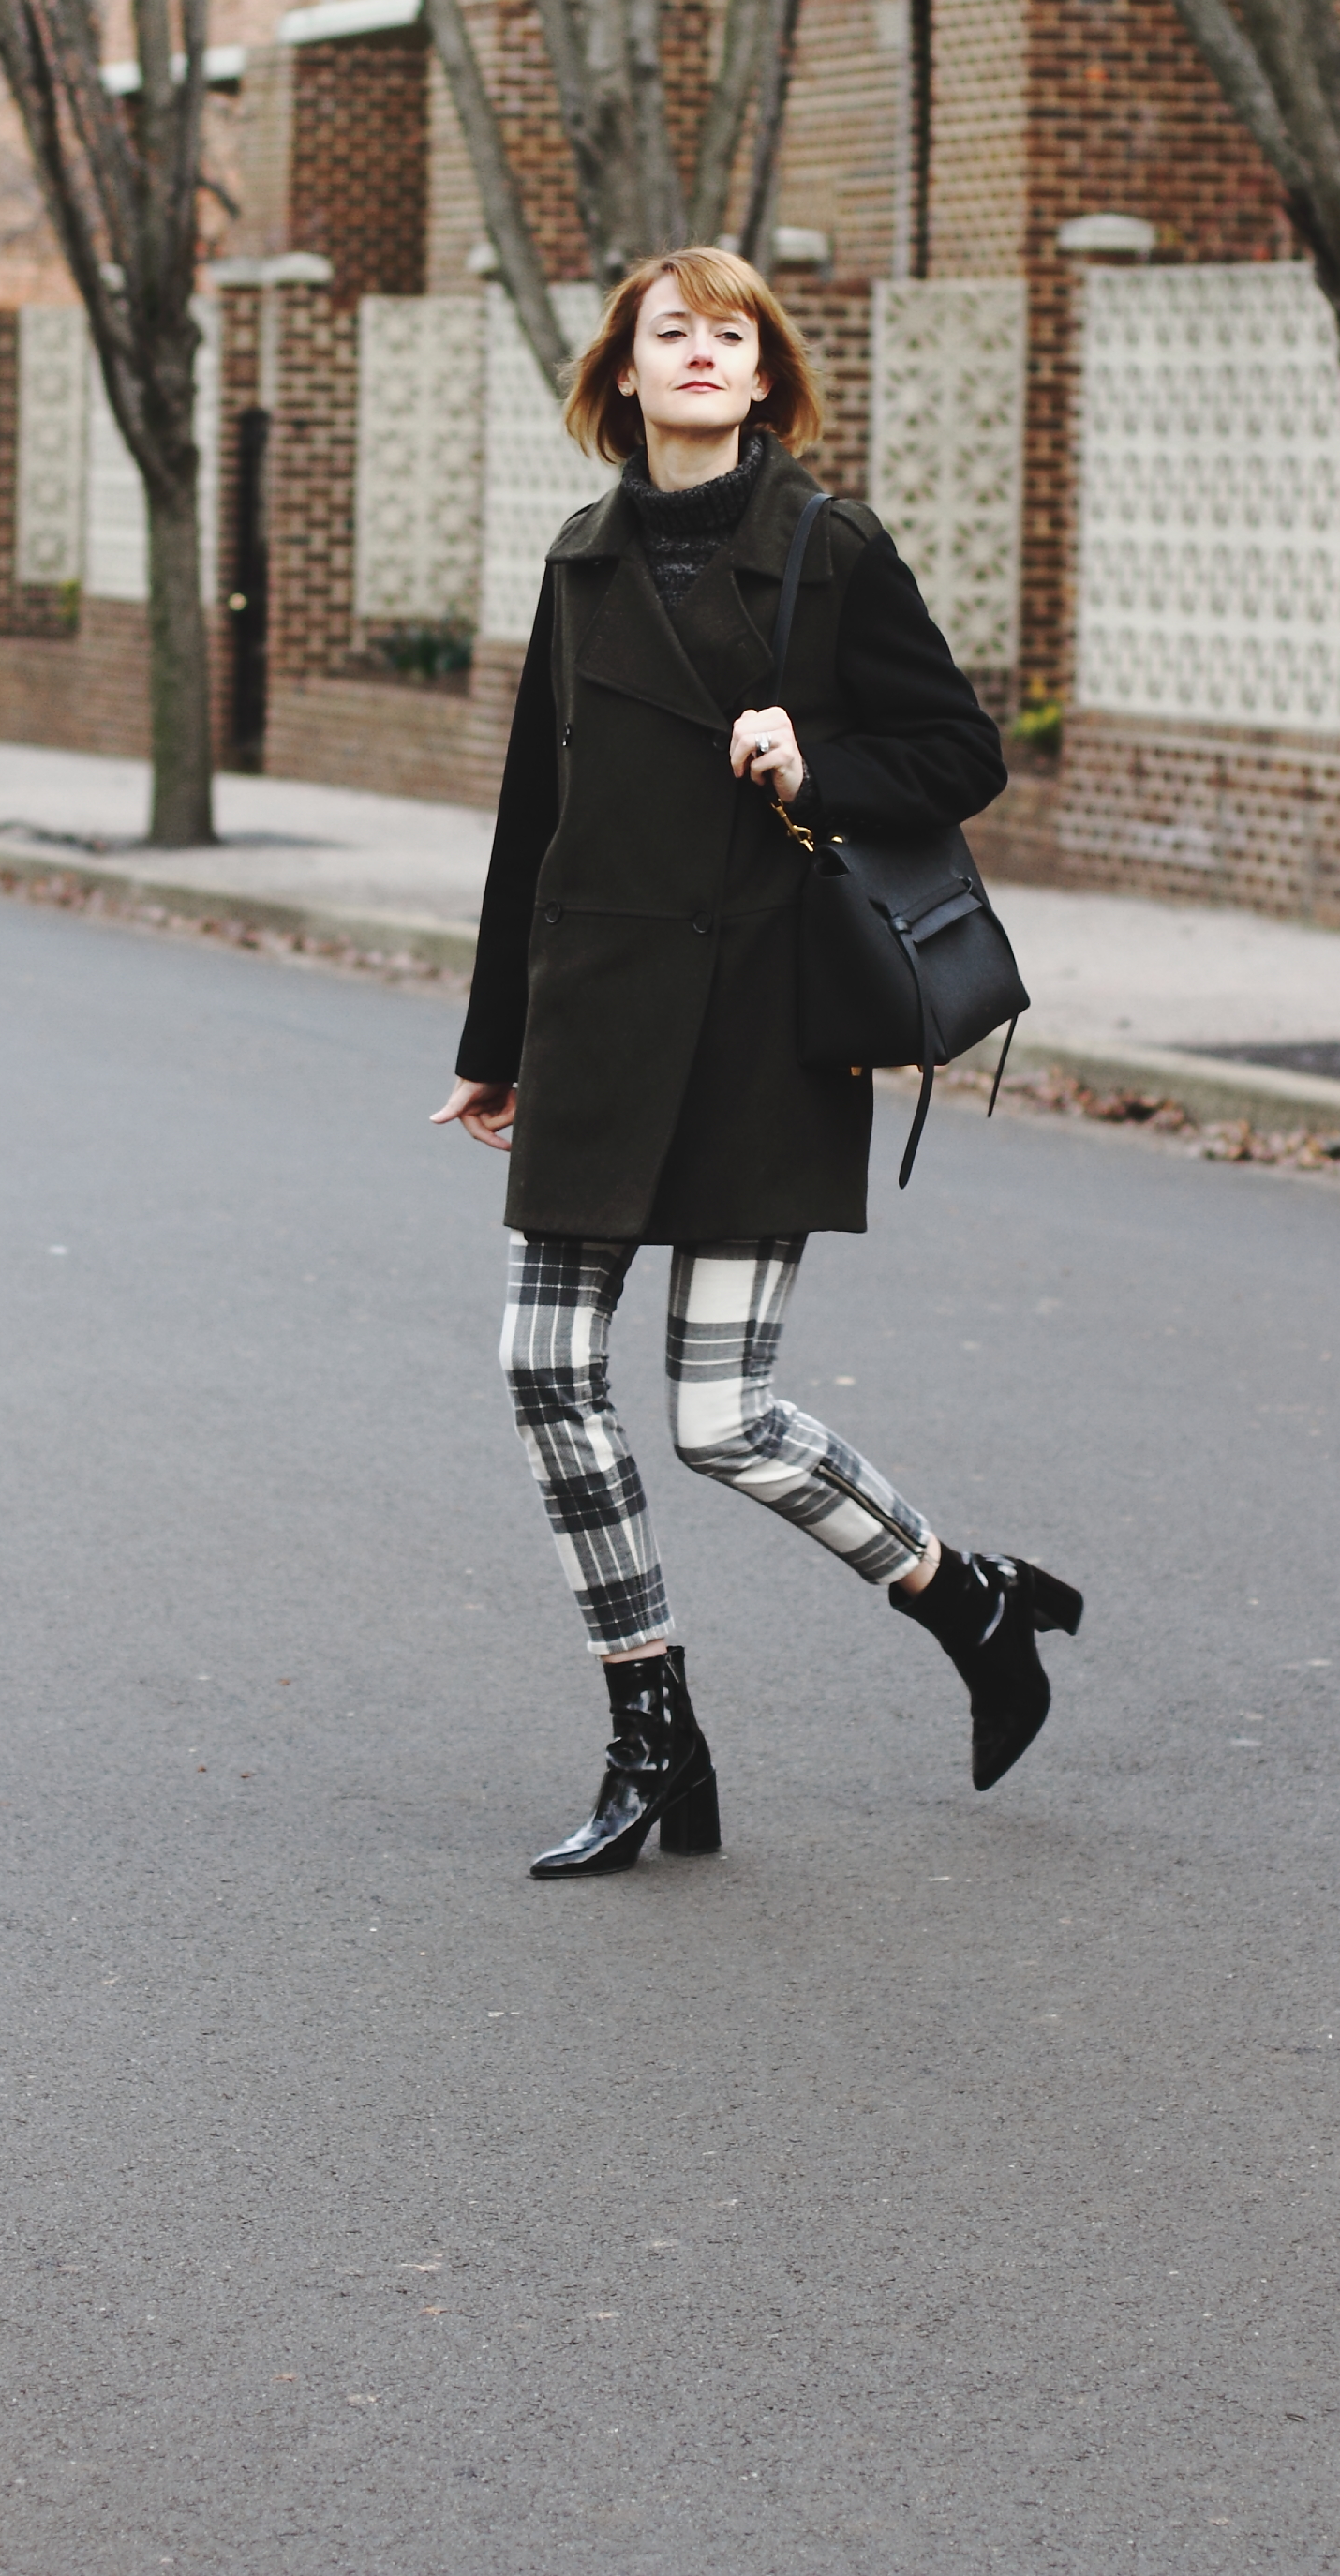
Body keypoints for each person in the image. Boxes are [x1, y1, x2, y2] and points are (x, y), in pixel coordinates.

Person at [433, 247, 1082, 1878]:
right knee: (540, 1371)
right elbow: (534, 816)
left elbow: (961, 753)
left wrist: (821, 761)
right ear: (625, 377)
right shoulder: (579, 561)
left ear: (766, 376)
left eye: (734, 336)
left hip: (757, 1029)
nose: (705, 356)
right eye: (674, 334)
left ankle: (963, 1591)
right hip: (596, 1014)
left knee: (721, 1417)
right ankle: (655, 1736)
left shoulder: (829, 546)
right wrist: (495, 1045)